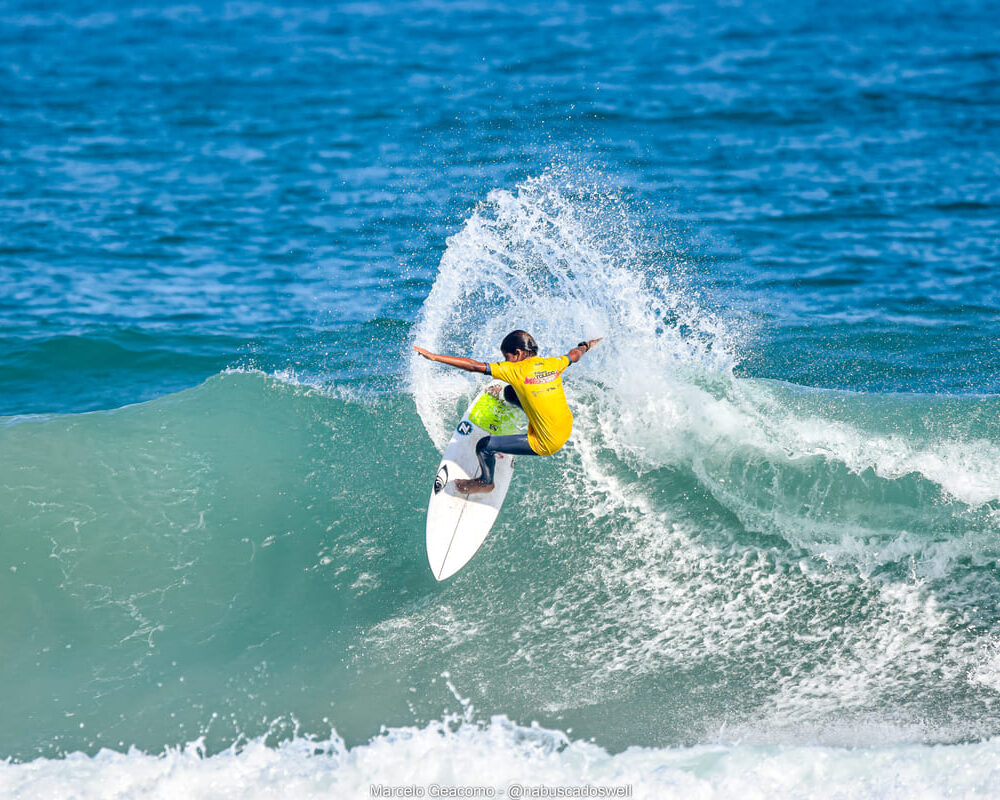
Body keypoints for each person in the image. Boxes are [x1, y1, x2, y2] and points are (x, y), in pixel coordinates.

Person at [413, 330, 602, 494]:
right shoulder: (553, 363)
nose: (506, 362)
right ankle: (520, 412)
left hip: (547, 442)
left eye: (507, 357)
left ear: (518, 353)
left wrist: (435, 357)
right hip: (565, 425)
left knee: (484, 446)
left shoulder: (515, 370)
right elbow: (574, 354)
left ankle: (486, 482)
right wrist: (587, 345)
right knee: (511, 393)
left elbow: (473, 366)